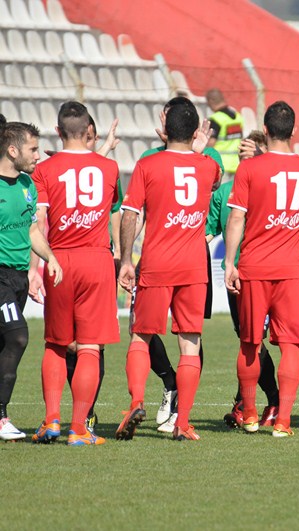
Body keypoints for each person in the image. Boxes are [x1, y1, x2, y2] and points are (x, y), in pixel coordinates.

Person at [117, 102, 220, 441]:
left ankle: (135, 401)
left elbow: (130, 214)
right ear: (195, 133)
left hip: (157, 262)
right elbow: (215, 180)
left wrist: (127, 259)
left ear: (164, 131)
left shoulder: (148, 165)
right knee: (190, 343)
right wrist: (197, 148)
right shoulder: (208, 168)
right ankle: (183, 422)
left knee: (140, 335)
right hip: (193, 266)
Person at [223, 101, 299, 437]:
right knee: (290, 345)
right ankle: (283, 421)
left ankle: (248, 414)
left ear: (265, 129)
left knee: (250, 343)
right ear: (292, 130)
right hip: (290, 267)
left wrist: (229, 262)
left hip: (255, 265)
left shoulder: (250, 169)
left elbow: (237, 218)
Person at [29, 102, 119, 446]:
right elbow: (113, 208)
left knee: (55, 343)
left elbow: (39, 223)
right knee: (90, 348)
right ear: (89, 132)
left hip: (59, 260)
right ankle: (78, 428)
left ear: (57, 132)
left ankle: (51, 420)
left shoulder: (45, 170)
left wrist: (37, 266)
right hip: (96, 260)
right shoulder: (109, 168)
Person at [207, 129, 280, 430]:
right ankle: (251, 403)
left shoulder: (274, 187)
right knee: (249, 343)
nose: (244, 158)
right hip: (236, 277)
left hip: (268, 274)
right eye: (241, 154)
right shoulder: (224, 194)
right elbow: (208, 231)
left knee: (258, 343)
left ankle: (266, 403)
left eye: (252, 152)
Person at [0, 122, 62, 441]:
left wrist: (49, 259)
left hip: (19, 276)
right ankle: (1, 416)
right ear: (13, 151)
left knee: (4, 343)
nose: (38, 155)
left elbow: (32, 230)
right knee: (18, 337)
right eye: (33, 149)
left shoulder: (26, 183)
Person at [206, 88, 245, 177]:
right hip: (237, 164)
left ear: (211, 101)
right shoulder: (237, 116)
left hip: (221, 165)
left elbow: (210, 143)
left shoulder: (215, 119)